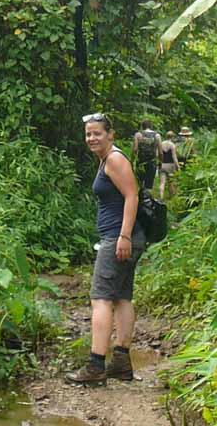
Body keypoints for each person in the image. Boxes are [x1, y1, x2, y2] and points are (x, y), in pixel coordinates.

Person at [66, 112, 146, 386]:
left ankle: (95, 365)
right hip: (124, 237)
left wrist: (123, 235)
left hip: (118, 238)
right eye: (88, 134)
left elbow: (131, 195)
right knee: (122, 297)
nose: (91, 138)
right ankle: (121, 363)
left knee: (101, 299)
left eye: (97, 133)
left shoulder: (114, 159)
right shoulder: (108, 160)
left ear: (110, 134)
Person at [132, 120, 161, 191]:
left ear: (142, 126)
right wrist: (160, 162)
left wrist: (132, 160)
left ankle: (140, 198)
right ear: (151, 126)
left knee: (140, 182)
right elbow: (161, 152)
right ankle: (147, 199)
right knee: (149, 184)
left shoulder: (138, 135)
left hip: (141, 162)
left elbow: (135, 149)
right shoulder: (157, 135)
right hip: (152, 162)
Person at [158, 131, 180, 199]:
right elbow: (174, 157)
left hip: (162, 164)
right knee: (171, 182)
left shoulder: (161, 144)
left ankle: (161, 197)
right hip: (170, 165)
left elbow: (157, 154)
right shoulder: (172, 145)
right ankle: (172, 196)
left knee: (162, 182)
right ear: (172, 137)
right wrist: (178, 166)